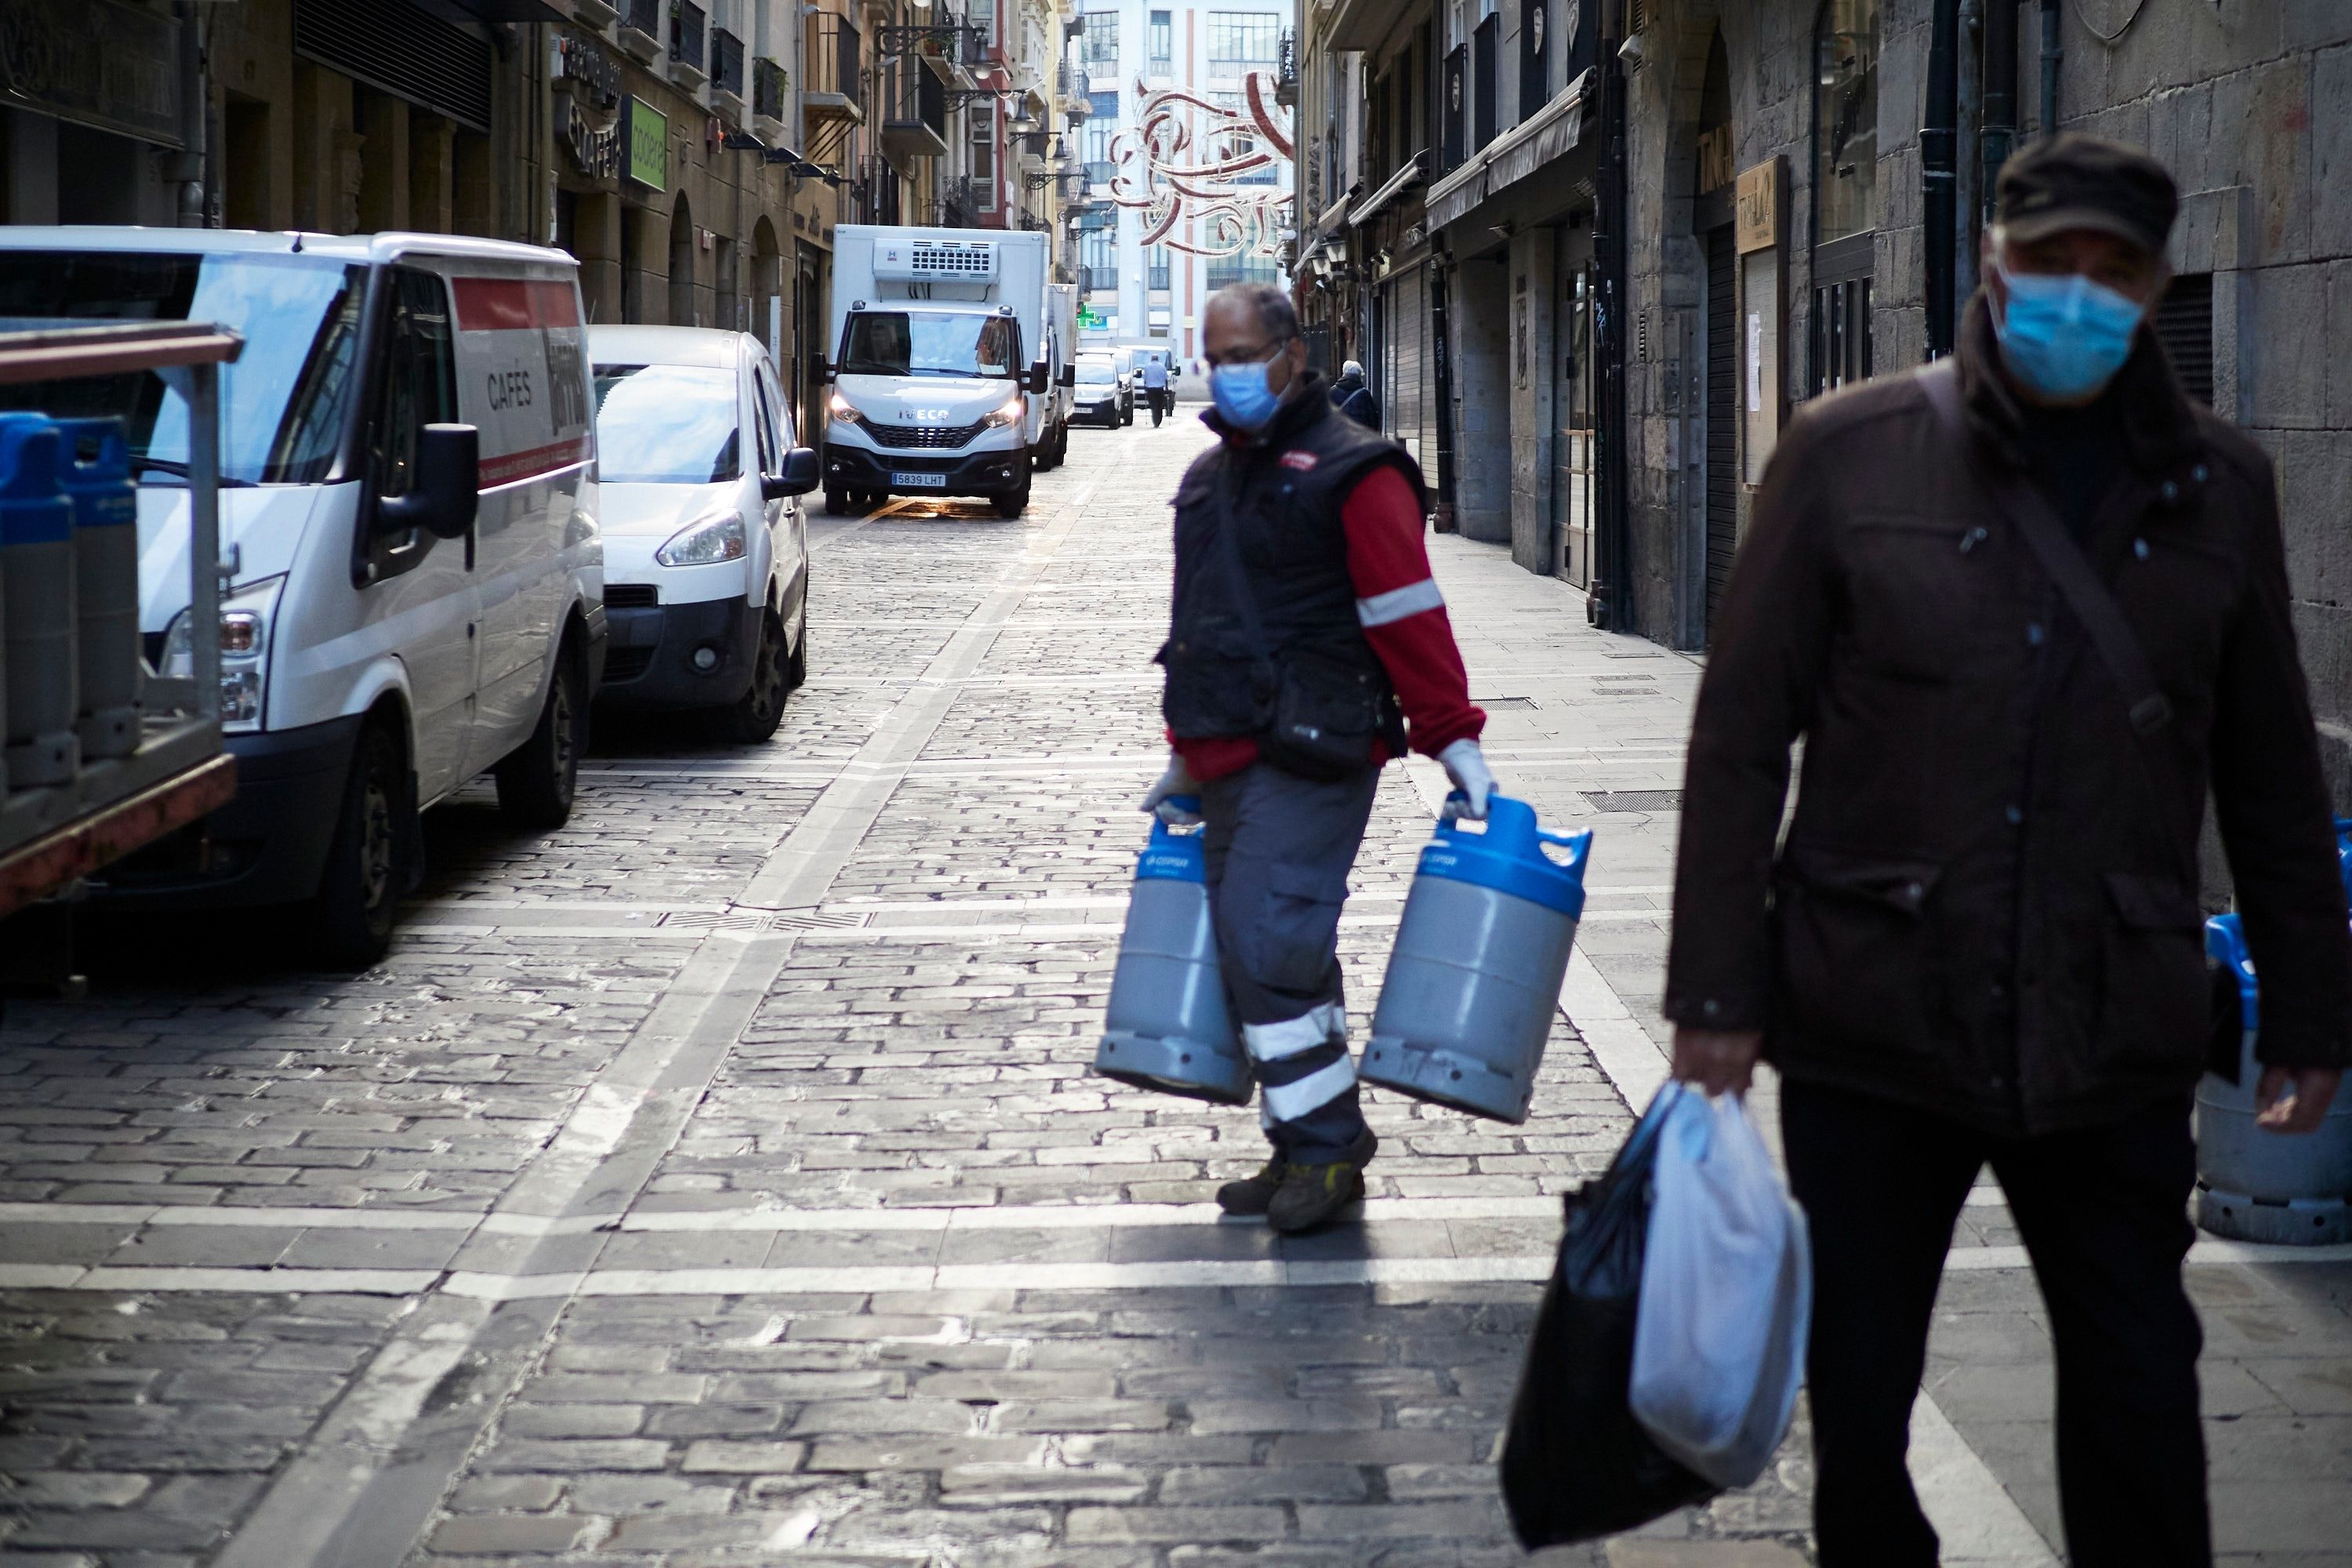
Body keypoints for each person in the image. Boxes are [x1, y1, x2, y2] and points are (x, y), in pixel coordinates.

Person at [1664, 132, 2350, 1567]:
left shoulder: (2221, 486)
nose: (2078, 293)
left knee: (2141, 1396)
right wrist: (1717, 993)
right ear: (1993, 260)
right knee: (1860, 1399)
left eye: (2115, 269)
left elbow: (2273, 769)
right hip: (1876, 1014)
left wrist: (2310, 1008)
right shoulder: (1846, 451)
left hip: (2113, 1020)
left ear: (2154, 283)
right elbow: (1738, 740)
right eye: (2051, 262)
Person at [1141, 283, 1496, 1234]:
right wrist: (1184, 757)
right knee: (1265, 951)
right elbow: (1200, 624)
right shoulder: (1209, 479)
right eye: (1215, 358)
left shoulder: (1355, 470)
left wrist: (1453, 735)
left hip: (1315, 748)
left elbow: (1407, 610)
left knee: (1269, 941)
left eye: (1244, 355)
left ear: (1294, 354)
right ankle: (1303, 1138)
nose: (1228, 374)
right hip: (1226, 749)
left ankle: (1328, 1147)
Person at [1329, 359, 1381, 429]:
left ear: (1344, 372)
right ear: (1359, 374)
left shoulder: (1332, 392)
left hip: (1339, 432)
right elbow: (1373, 419)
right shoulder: (1364, 394)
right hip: (1360, 433)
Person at [1140, 352, 1171, 426]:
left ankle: (1155, 421)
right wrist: (1166, 388)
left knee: (1153, 405)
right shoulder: (1162, 366)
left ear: (1151, 359)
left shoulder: (1147, 366)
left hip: (1150, 389)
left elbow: (1144, 378)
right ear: (1157, 359)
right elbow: (1166, 378)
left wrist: (1145, 387)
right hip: (1160, 389)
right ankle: (1158, 420)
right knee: (1160, 405)